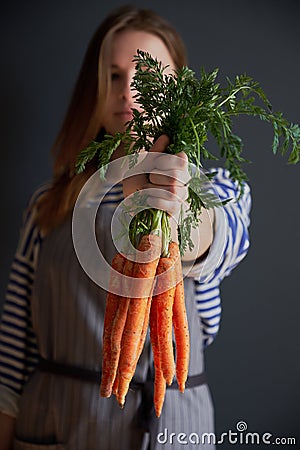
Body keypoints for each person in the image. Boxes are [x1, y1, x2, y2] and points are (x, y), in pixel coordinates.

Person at [0, 5, 251, 450]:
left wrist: (177, 213)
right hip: (58, 423)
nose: (128, 91)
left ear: (181, 93)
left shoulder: (216, 192)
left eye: (148, 77)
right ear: (92, 91)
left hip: (173, 423)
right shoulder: (50, 203)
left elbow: (218, 238)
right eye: (113, 76)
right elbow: (14, 338)